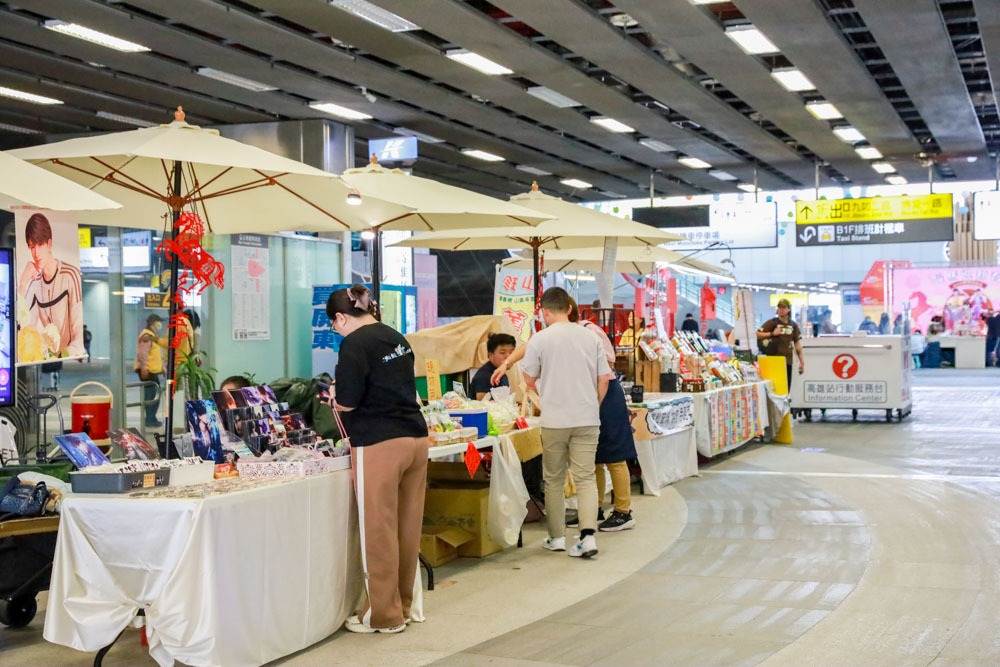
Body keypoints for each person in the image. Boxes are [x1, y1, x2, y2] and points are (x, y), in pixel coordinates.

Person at [326, 285, 428, 635]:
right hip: (416, 436)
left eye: (334, 324)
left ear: (341, 317)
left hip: (379, 441)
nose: (336, 330)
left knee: (379, 530)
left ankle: (383, 616)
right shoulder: (396, 336)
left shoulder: (354, 344)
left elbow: (350, 402)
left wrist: (335, 398)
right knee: (406, 527)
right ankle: (403, 604)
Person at [520, 287, 612, 559]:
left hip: (555, 419)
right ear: (569, 309)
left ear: (544, 312)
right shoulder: (590, 337)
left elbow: (528, 379)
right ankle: (587, 537)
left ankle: (557, 537)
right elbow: (604, 378)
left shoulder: (539, 339)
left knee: (554, 479)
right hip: (587, 418)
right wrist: (592, 406)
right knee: (585, 479)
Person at [568, 298, 636, 532]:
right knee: (593, 456)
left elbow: (606, 367)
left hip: (605, 396)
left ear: (567, 312)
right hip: (588, 397)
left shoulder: (590, 332)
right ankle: (592, 508)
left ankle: (623, 512)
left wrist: (595, 403)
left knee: (615, 456)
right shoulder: (569, 334)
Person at [17, 212, 84, 357]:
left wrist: (59, 357)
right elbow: (23, 331)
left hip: (69, 361)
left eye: (40, 244)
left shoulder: (71, 276)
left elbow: (79, 338)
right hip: (49, 362)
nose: (36, 253)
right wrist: (23, 283)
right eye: (32, 247)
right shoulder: (35, 284)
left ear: (49, 244)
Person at [757, 298, 804, 390]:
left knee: (787, 387)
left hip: (787, 360)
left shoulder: (793, 325)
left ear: (788, 309)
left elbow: (797, 344)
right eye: (779, 308)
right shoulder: (772, 322)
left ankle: (785, 403)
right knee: (774, 387)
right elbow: (757, 334)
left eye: (783, 308)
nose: (781, 310)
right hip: (774, 360)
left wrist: (801, 361)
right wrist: (772, 333)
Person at [134, 314, 164, 428]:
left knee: (154, 395)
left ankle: (152, 418)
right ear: (153, 323)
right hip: (148, 371)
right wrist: (144, 368)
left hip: (152, 370)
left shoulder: (152, 335)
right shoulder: (146, 336)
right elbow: (142, 354)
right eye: (158, 322)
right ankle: (150, 419)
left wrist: (163, 368)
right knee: (151, 396)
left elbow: (156, 355)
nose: (160, 324)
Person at [469, 333, 516, 400]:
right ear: (490, 355)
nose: (508, 357)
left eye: (511, 352)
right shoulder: (485, 375)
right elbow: (483, 403)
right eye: (502, 352)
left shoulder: (501, 373)